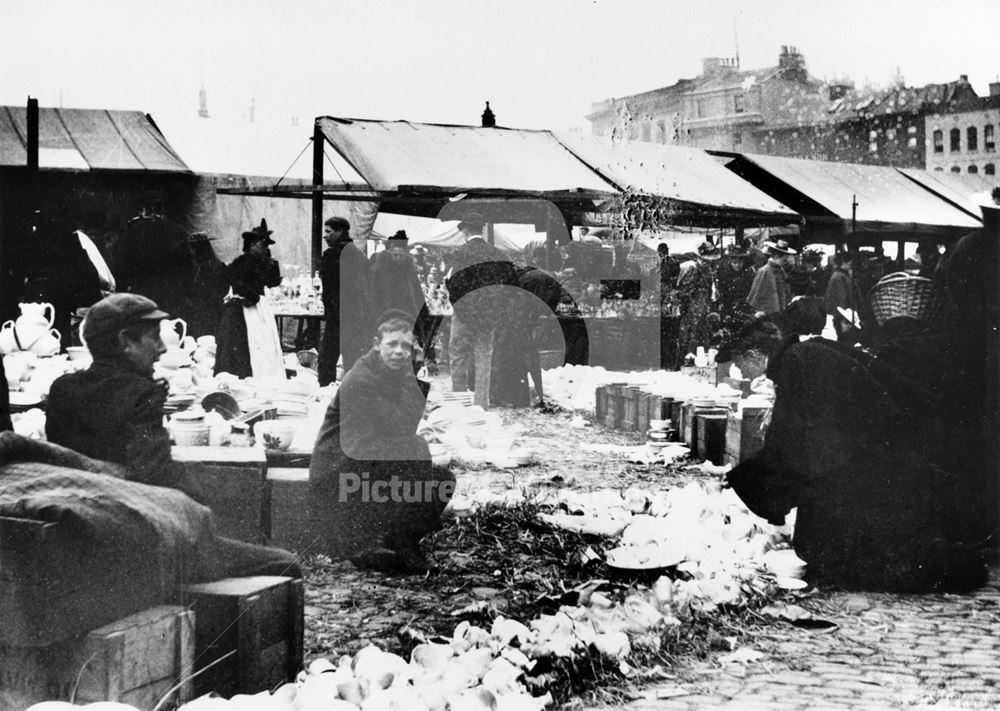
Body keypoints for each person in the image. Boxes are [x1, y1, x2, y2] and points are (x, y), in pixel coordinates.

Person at [45, 293, 302, 579]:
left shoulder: (63, 389)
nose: (161, 349)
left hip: (80, 523)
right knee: (286, 563)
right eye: (153, 338)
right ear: (125, 342)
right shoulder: (139, 394)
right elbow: (156, 474)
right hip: (139, 537)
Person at [309, 310, 454, 573]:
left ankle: (396, 536)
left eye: (406, 346)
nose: (400, 352)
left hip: (365, 460)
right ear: (377, 344)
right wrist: (413, 375)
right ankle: (399, 539)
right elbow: (403, 424)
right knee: (415, 449)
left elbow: (403, 426)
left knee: (444, 479)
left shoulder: (386, 370)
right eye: (392, 344)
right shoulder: (363, 378)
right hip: (337, 470)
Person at [446, 215, 520, 409]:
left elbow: (453, 286)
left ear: (465, 231)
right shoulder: (497, 254)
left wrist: (460, 308)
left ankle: (459, 405)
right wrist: (496, 310)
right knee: (484, 360)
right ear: (482, 230)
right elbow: (512, 287)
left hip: (463, 316)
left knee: (458, 357)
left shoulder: (459, 254)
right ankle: (481, 406)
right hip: (488, 318)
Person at [214, 219, 285, 379]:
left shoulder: (263, 263)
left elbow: (272, 282)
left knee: (260, 344)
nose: (265, 248)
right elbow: (234, 281)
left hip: (257, 310)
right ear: (252, 245)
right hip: (242, 309)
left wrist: (272, 264)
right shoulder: (241, 262)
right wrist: (251, 295)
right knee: (242, 346)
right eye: (262, 244)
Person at [112, 191, 194, 322]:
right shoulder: (178, 232)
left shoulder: (131, 234)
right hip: (173, 296)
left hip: (142, 294)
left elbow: (120, 267)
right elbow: (189, 267)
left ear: (142, 209)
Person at [318, 216, 372, 386]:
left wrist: (331, 312)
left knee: (327, 359)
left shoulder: (331, 254)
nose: (325, 236)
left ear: (341, 232)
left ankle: (325, 392)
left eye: (328, 232)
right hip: (355, 316)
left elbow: (329, 290)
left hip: (337, 316)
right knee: (353, 358)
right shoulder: (357, 253)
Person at [370, 230, 426, 344]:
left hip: (397, 312)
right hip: (392, 312)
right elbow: (375, 292)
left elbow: (416, 291)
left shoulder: (406, 266)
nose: (398, 258)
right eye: (395, 254)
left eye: (401, 255)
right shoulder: (384, 265)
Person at [675, 239, 720, 366]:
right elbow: (683, 291)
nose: (708, 261)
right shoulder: (693, 269)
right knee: (691, 338)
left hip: (704, 307)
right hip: (693, 309)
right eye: (706, 259)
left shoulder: (708, 270)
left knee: (702, 337)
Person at [713, 241, 757, 362]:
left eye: (740, 262)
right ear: (730, 261)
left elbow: (752, 293)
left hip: (744, 310)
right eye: (734, 262)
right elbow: (721, 294)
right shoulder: (723, 273)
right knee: (728, 339)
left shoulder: (749, 274)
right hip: (728, 310)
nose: (737, 265)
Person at [185, 232, 229, 339]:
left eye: (194, 248)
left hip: (207, 310)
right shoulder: (198, 267)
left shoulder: (212, 266)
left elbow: (224, 287)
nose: (192, 251)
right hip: (204, 310)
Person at [746, 239, 796, 317]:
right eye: (784, 259)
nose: (785, 261)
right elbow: (757, 297)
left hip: (780, 313)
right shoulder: (764, 271)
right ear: (775, 256)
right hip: (766, 314)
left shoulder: (780, 270)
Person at [824, 251, 865, 342]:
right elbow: (840, 299)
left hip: (846, 315)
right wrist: (844, 321)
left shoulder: (841, 275)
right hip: (843, 316)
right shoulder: (839, 277)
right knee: (846, 341)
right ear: (846, 262)